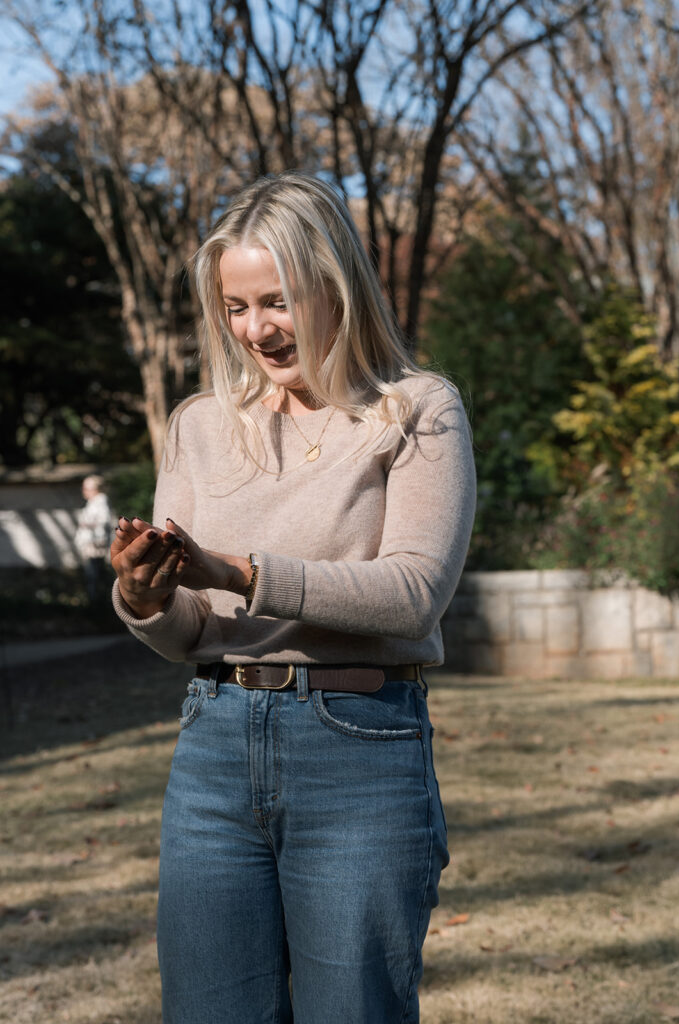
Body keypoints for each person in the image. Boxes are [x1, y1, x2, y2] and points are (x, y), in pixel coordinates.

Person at [110, 171, 476, 1024]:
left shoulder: (415, 409)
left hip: (358, 750)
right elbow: (194, 626)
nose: (256, 329)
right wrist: (147, 597)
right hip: (212, 744)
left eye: (276, 302)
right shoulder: (200, 423)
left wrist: (238, 572)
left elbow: (412, 595)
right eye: (235, 308)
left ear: (334, 287)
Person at [74, 474, 112, 602]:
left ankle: (97, 602)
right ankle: (96, 601)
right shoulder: (93, 502)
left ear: (96, 489)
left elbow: (103, 521)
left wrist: (86, 524)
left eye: (87, 488)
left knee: (94, 575)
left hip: (95, 545)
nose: (84, 491)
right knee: (93, 574)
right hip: (91, 544)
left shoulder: (101, 501)